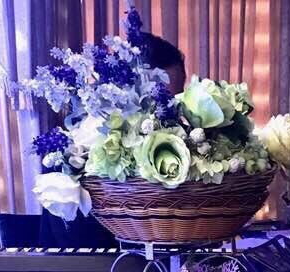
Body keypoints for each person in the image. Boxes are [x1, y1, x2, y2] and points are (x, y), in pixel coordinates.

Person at [39, 33, 187, 247]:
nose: (169, 113)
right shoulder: (71, 160)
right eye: (158, 102)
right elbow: (81, 254)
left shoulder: (181, 155)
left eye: (175, 101)